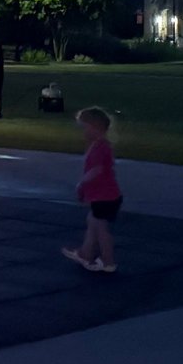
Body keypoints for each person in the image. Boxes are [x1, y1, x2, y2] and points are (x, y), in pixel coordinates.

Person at [63, 106, 121, 274]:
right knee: (93, 222)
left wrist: (81, 184)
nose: (83, 132)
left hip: (105, 197)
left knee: (100, 228)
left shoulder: (100, 147)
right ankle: (85, 253)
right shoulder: (100, 145)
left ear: (94, 127)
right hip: (104, 196)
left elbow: (97, 170)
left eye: (85, 127)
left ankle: (108, 261)